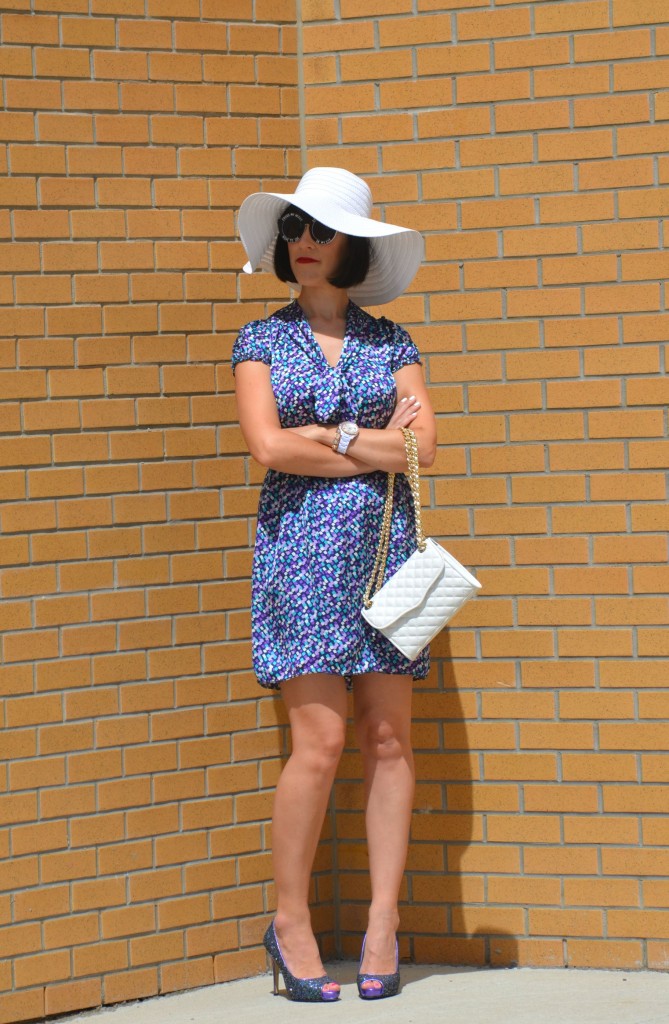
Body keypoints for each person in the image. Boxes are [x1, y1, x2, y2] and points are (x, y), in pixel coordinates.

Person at [232, 166, 437, 1002]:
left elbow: (425, 451)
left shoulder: (392, 342)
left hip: (389, 555)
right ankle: (292, 924)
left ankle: (382, 923)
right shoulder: (259, 340)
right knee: (317, 746)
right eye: (293, 231)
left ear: (352, 246)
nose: (303, 245)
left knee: (388, 742)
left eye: (319, 232)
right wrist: (371, 437)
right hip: (299, 558)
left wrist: (332, 431)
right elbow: (271, 450)